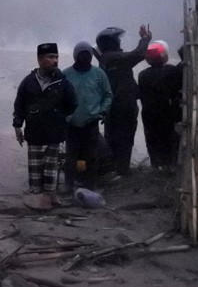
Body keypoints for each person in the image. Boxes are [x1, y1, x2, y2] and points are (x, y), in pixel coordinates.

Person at [13, 43, 78, 210]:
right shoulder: (29, 82)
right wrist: (17, 126)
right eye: (50, 57)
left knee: (51, 166)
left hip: (55, 133)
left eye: (56, 57)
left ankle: (48, 199)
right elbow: (19, 105)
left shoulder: (62, 81)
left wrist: (60, 117)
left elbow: (73, 103)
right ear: (40, 59)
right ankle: (42, 196)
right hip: (34, 133)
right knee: (36, 167)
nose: (55, 60)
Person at [94, 25, 152, 175]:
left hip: (113, 106)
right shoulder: (112, 58)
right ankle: (122, 171)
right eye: (117, 40)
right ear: (111, 42)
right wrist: (145, 39)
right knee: (125, 138)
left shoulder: (105, 59)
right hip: (123, 105)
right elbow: (138, 54)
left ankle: (114, 170)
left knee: (113, 138)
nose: (119, 43)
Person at [62, 41, 112, 190]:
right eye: (81, 55)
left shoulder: (99, 74)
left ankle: (91, 185)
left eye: (87, 55)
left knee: (91, 156)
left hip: (91, 122)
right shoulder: (65, 74)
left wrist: (103, 110)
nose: (84, 58)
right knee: (71, 156)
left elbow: (107, 95)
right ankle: (69, 186)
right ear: (75, 56)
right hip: (72, 123)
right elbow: (58, 97)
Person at [138, 40, 183, 173]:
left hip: (149, 114)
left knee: (153, 140)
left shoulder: (143, 75)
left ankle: (157, 166)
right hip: (168, 112)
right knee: (170, 139)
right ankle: (171, 165)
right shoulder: (171, 70)